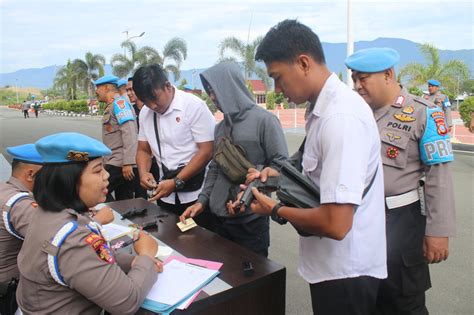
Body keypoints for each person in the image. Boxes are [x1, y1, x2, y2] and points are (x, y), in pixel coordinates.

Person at [246, 20, 387, 314]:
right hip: (332, 267)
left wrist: (273, 209)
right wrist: (276, 178)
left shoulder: (340, 118)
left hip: (346, 273)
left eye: (278, 77)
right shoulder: (323, 110)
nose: (277, 88)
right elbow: (316, 179)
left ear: (303, 63)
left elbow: (337, 224)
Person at [346, 47, 456, 314]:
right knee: (362, 299)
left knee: (403, 301)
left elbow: (438, 176)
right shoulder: (355, 113)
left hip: (399, 221)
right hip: (356, 221)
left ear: (388, 74)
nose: (357, 86)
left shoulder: (424, 113)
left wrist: (437, 231)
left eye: (363, 78)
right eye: (354, 80)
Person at [16, 132, 162, 314]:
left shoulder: (48, 213)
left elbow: (94, 257)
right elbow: (127, 302)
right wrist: (146, 256)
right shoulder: (73, 237)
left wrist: (133, 262)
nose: (106, 175)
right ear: (69, 180)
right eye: (97, 170)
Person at [179, 61, 289, 257]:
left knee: (254, 278)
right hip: (218, 219)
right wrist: (201, 202)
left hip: (250, 222)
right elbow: (215, 168)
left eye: (215, 90)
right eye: (209, 91)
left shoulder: (265, 121)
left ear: (230, 87)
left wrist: (250, 194)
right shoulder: (220, 127)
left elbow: (281, 167)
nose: (212, 97)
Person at [132, 64, 215, 230]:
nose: (153, 106)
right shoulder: (145, 114)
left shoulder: (193, 106)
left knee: (200, 245)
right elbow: (143, 150)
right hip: (165, 194)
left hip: (197, 196)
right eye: (146, 102)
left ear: (167, 86)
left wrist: (177, 181)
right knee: (170, 242)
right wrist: (143, 173)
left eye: (155, 99)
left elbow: (206, 151)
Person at [0, 144, 42, 315]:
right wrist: (96, 220)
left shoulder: (5, 189)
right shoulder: (20, 205)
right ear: (31, 174)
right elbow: (54, 237)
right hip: (10, 289)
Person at [95, 75, 138, 202]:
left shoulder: (120, 104)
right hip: (115, 160)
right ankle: (120, 220)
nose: (96, 91)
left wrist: (128, 162)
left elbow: (129, 132)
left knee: (98, 190)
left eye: (98, 88)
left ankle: (108, 215)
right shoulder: (112, 105)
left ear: (107, 88)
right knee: (124, 200)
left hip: (119, 162)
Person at [126, 77, 151, 200]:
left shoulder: (152, 109)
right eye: (127, 90)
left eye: (131, 89)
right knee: (140, 193)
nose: (129, 93)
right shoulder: (129, 111)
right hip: (138, 158)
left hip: (155, 158)